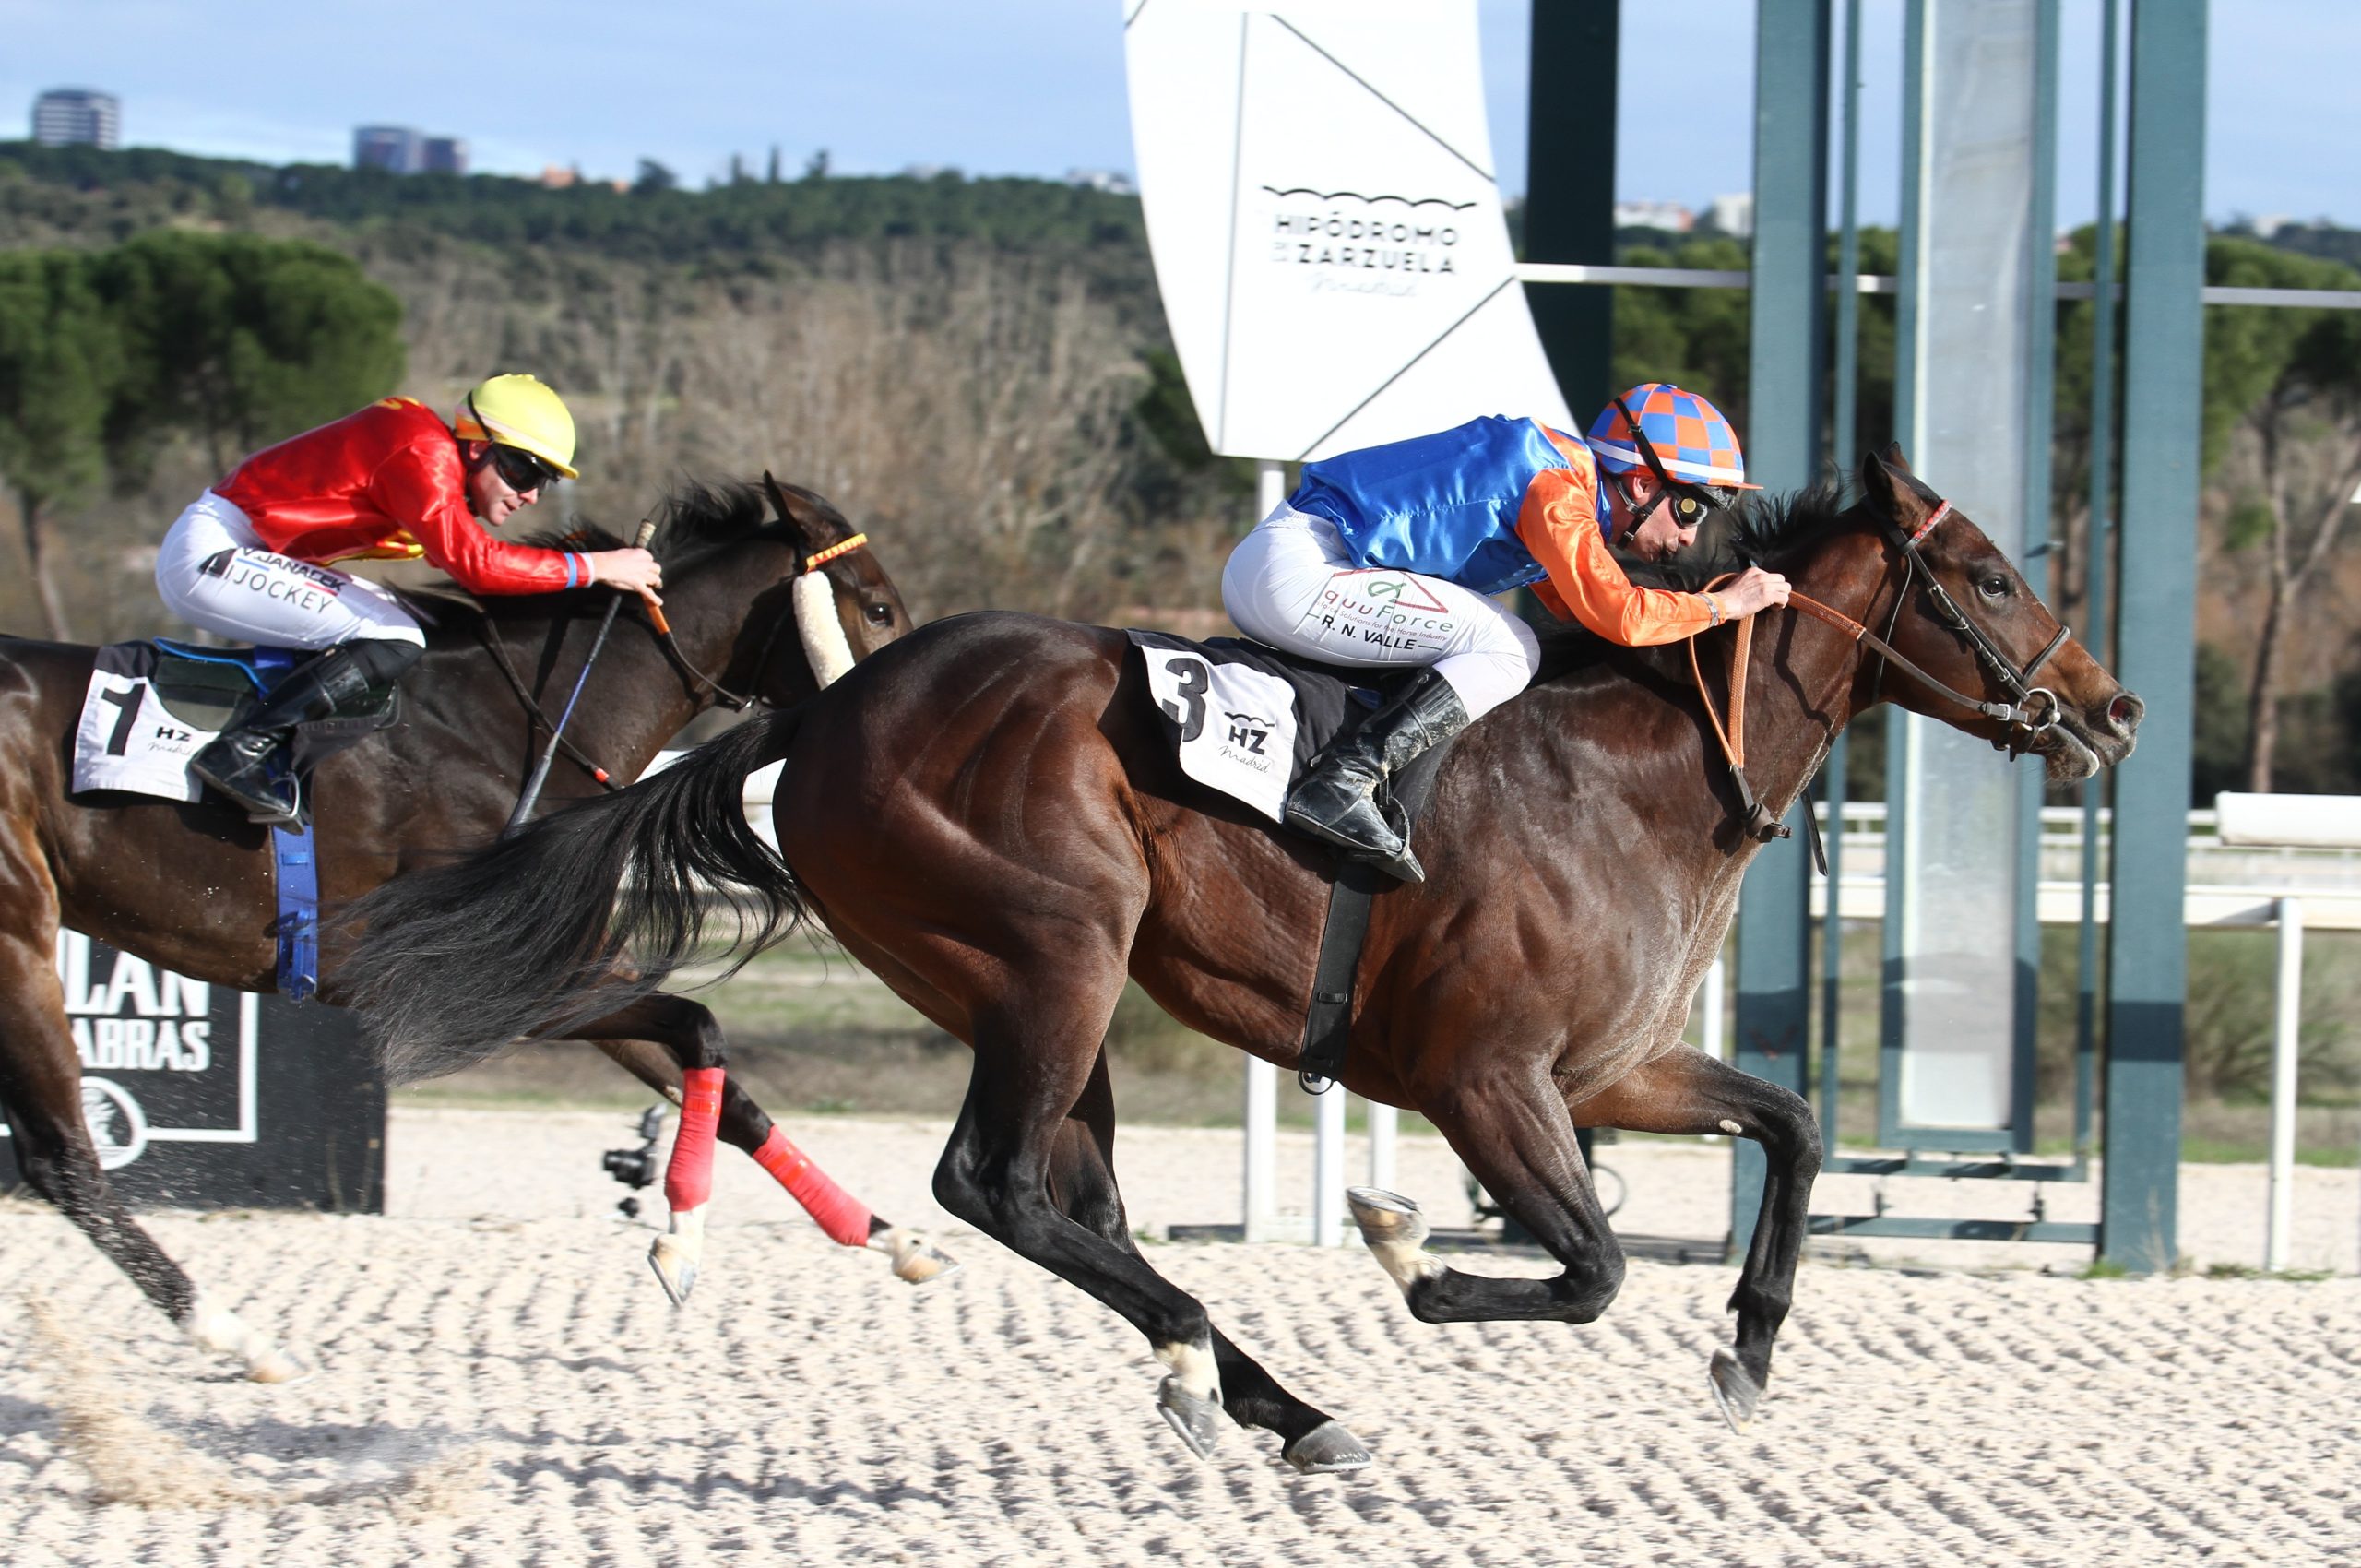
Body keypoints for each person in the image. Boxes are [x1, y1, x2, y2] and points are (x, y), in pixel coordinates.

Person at [1220, 383, 1790, 881]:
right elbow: (1622, 616)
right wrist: (1723, 606)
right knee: (1510, 646)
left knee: (1500, 639)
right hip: (1303, 570)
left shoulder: (1562, 482)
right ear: (1642, 484)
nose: (1690, 536)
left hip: (1288, 565)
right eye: (1690, 509)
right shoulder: (1556, 490)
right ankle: (1344, 781)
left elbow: (1578, 607)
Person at [153, 374, 664, 821]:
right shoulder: (422, 451)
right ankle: (242, 751)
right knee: (395, 635)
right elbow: (477, 566)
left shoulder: (432, 461)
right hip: (214, 552)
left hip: (243, 550)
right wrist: (594, 567)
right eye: (524, 471)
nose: (530, 494)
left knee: (412, 624)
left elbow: (473, 561)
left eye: (543, 483)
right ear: (477, 446)